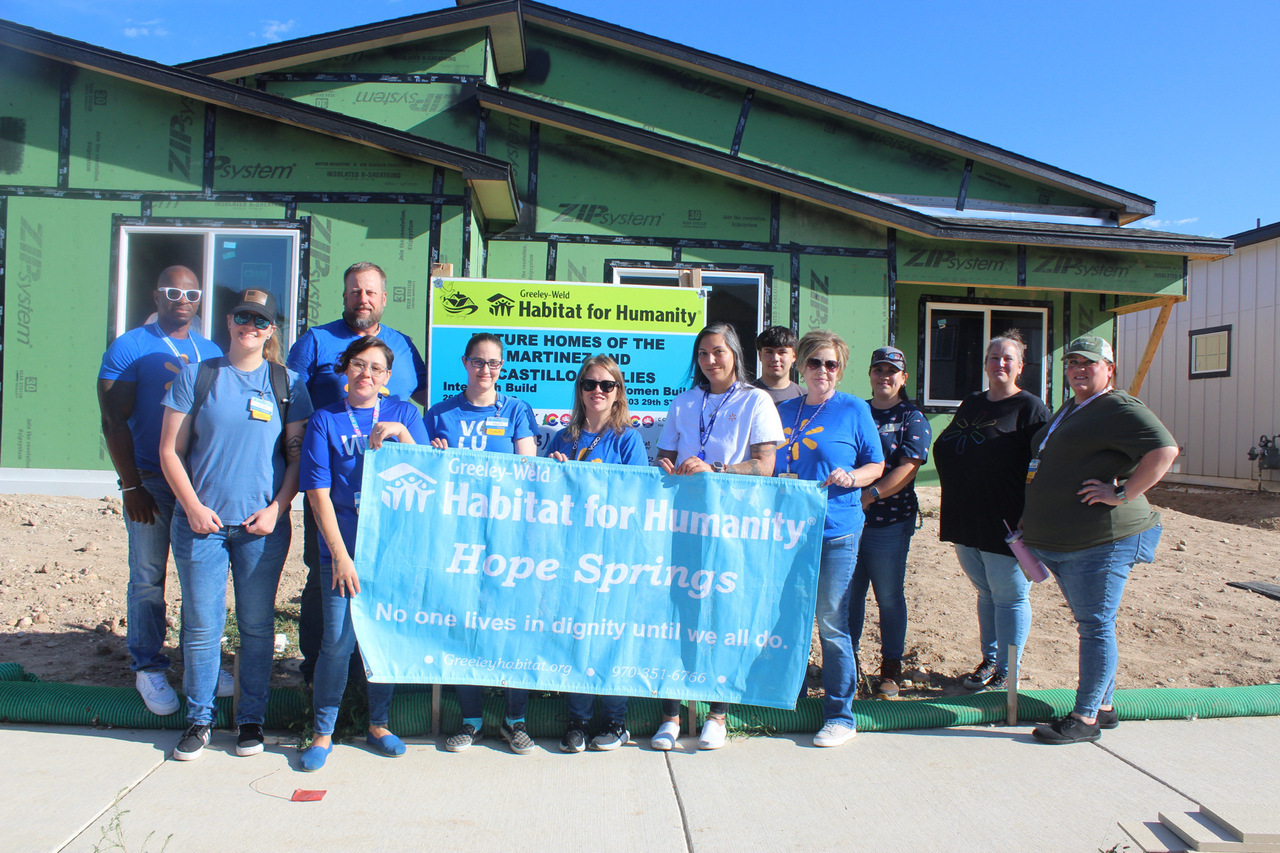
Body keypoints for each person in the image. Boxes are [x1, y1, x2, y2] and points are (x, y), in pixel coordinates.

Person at [159, 288, 313, 761]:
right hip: (201, 526)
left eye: (262, 321)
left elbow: (295, 459)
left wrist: (277, 508)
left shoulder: (287, 383)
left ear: (271, 332)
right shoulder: (198, 376)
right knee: (202, 627)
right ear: (229, 321)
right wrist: (191, 506)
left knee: (256, 626)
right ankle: (200, 720)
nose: (252, 326)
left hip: (260, 529)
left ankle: (250, 720)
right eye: (244, 317)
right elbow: (169, 450)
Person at [1023, 336, 1178, 744]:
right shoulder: (1075, 406)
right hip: (1066, 542)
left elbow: (1164, 450)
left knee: (1095, 626)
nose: (1078, 369)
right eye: (1072, 362)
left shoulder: (1118, 406)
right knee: (1093, 624)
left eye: (1088, 363)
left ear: (1109, 367)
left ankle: (1086, 718)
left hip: (1103, 540)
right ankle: (1104, 708)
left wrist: (1122, 493)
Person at [287, 262, 427, 689]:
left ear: (384, 299)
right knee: (323, 572)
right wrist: (295, 456)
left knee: (385, 579)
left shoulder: (402, 346)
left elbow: (423, 398)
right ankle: (319, 668)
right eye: (354, 292)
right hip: (333, 485)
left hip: (391, 497)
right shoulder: (316, 341)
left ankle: (374, 672)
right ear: (344, 296)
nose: (362, 299)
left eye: (370, 292)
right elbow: (288, 398)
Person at [650, 323, 784, 750]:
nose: (711, 361)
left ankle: (718, 713)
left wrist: (718, 470)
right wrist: (667, 467)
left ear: (735, 354)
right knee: (676, 614)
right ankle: (671, 715)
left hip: (733, 526)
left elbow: (765, 465)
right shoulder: (685, 401)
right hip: (683, 523)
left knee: (723, 616)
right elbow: (665, 455)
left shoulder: (755, 399)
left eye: (719, 352)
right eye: (703, 354)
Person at [297, 337, 428, 771]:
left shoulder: (405, 413)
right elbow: (317, 492)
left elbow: (430, 475)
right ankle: (323, 731)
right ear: (345, 369)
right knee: (336, 642)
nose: (365, 374)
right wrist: (339, 554)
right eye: (358, 365)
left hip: (391, 548)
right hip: (344, 545)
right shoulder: (324, 420)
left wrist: (405, 436)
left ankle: (379, 724)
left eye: (375, 368)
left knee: (381, 639)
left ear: (387, 378)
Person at [98, 266, 224, 715]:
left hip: (197, 484)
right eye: (172, 291)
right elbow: (113, 421)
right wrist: (130, 484)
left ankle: (198, 664)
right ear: (157, 294)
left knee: (198, 575)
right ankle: (148, 665)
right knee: (149, 577)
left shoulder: (210, 350)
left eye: (191, 293)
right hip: (151, 479)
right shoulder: (129, 347)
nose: (182, 299)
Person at [426, 332, 539, 754]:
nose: (485, 370)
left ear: (502, 367)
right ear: (465, 363)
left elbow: (529, 467)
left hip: (508, 535)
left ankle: (516, 720)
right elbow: (424, 472)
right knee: (463, 621)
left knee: (513, 622)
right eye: (478, 362)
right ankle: (470, 719)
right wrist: (434, 457)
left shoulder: (515, 410)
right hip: (459, 534)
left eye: (493, 363)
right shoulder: (440, 413)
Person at [776, 332, 884, 747]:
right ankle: (791, 698)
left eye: (832, 364)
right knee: (789, 622)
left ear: (840, 369)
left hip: (836, 531)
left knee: (831, 622)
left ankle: (840, 714)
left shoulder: (854, 409)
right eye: (815, 363)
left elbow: (876, 464)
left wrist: (852, 477)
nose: (823, 371)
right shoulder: (782, 410)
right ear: (801, 366)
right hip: (785, 535)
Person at [934, 330, 1051, 693]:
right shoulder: (972, 403)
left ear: (1020, 366)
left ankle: (1008, 671)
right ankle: (990, 660)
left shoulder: (1031, 409)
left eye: (1007, 358)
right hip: (966, 517)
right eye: (993, 357)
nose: (999, 363)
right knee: (986, 594)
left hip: (1006, 522)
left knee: (1011, 596)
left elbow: (1044, 467)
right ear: (985, 364)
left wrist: (1032, 515)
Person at [546, 355, 649, 753]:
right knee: (576, 634)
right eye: (590, 384)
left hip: (614, 555)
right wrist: (555, 471)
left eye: (607, 385)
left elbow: (639, 497)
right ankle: (577, 721)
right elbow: (543, 497)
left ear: (618, 392)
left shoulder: (627, 439)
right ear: (580, 390)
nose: (598, 392)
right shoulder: (562, 438)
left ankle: (615, 720)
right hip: (570, 555)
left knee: (611, 635)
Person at [851, 346, 930, 700]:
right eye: (878, 369)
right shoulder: (857, 411)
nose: (885, 376)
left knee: (888, 596)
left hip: (889, 522)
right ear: (870, 374)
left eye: (892, 371)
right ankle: (847, 664)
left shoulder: (911, 417)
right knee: (849, 595)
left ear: (903, 377)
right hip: (851, 521)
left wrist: (873, 495)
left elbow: (908, 468)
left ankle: (891, 668)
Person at [751, 326, 803, 405]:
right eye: (769, 352)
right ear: (760, 355)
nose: (775, 358)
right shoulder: (745, 395)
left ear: (794, 356)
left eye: (782, 352)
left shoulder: (804, 399)